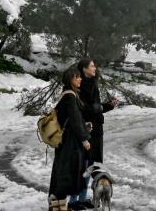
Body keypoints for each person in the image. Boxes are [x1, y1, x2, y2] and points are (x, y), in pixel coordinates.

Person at [69, 59, 120, 210]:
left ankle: (83, 198)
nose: (95, 67)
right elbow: (84, 109)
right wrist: (98, 107)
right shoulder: (79, 85)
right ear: (84, 69)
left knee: (91, 166)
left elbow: (96, 108)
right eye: (92, 66)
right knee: (81, 166)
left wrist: (109, 105)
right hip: (86, 130)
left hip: (97, 130)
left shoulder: (93, 83)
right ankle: (73, 201)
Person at [49, 66, 91, 211]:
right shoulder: (70, 96)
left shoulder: (69, 95)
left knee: (62, 173)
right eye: (77, 77)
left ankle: (57, 206)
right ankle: (58, 206)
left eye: (80, 76)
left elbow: (74, 119)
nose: (80, 79)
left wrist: (84, 126)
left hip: (66, 141)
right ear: (70, 79)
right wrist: (84, 139)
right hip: (69, 144)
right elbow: (74, 120)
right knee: (66, 175)